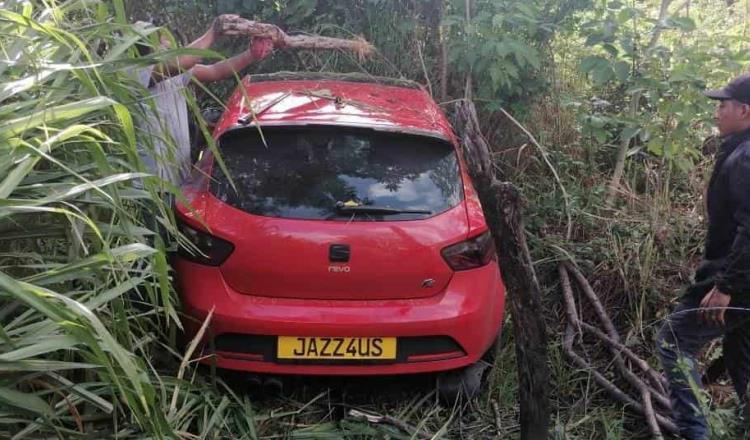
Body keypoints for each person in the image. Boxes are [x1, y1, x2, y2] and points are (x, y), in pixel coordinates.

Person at [656, 72, 750, 439]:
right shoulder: (739, 150)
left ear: (744, 111)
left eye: (723, 105)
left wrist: (726, 286)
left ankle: (695, 434)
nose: (718, 112)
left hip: (739, 281)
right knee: (740, 355)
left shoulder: (745, 157)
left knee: (673, 340)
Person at [133, 15, 278, 188]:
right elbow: (182, 62)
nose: (170, 44)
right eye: (164, 41)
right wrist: (213, 31)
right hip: (152, 186)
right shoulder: (136, 72)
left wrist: (251, 55)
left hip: (178, 180)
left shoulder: (173, 73)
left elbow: (216, 71)